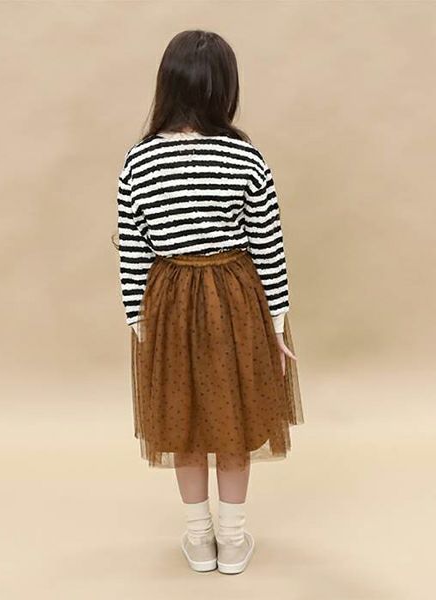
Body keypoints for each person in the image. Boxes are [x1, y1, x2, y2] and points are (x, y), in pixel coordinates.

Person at [114, 29, 304, 575]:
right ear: (224, 87)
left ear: (167, 85)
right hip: (235, 299)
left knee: (185, 421)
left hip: (169, 300)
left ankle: (200, 538)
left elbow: (133, 248)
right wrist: (276, 320)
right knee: (235, 419)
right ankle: (232, 538)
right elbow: (267, 243)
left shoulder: (139, 160)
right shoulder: (244, 155)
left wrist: (138, 318)